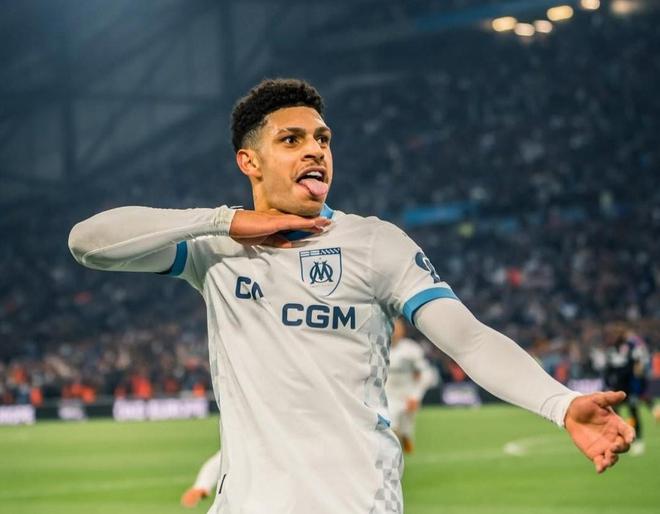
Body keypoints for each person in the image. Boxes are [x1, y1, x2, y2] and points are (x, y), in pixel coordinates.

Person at [68, 78, 634, 514]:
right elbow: (88, 243)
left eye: (322, 139)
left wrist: (560, 404)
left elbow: (470, 341)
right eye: (291, 140)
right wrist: (226, 221)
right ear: (249, 161)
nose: (315, 150)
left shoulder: (373, 243)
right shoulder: (214, 250)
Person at [386, 318, 437, 453]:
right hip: (387, 396)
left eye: (397, 327)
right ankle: (393, 453)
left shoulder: (411, 349)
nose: (394, 331)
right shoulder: (378, 347)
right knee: (390, 427)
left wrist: (415, 396)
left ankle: (404, 438)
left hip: (407, 395)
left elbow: (426, 374)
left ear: (403, 329)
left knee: (405, 431)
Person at [603, 323, 650, 455]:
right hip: (616, 388)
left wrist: (637, 388)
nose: (614, 336)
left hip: (630, 388)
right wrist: (607, 384)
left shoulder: (631, 347)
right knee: (614, 416)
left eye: (617, 333)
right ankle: (618, 440)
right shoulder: (611, 350)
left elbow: (636, 368)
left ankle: (638, 439)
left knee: (633, 413)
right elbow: (607, 370)